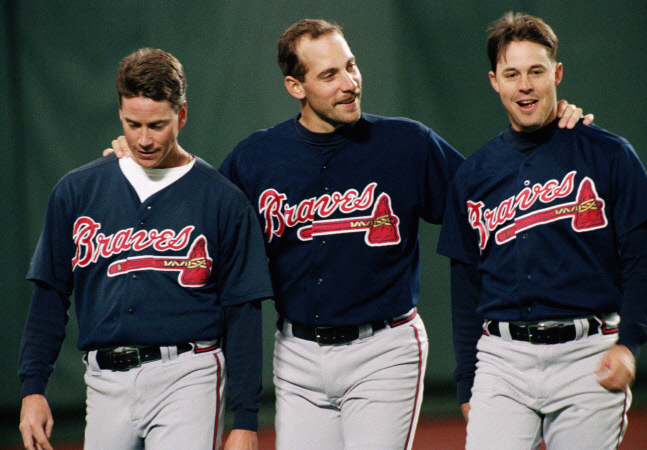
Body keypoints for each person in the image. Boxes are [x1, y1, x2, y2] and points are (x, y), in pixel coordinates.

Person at [107, 20, 588, 450]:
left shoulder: (406, 144)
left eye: (351, 66)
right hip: (296, 358)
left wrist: (553, 132)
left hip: (384, 350)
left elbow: (498, 198)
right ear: (295, 85)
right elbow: (195, 214)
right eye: (330, 74)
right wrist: (143, 165)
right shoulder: (256, 159)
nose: (350, 83)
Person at [18, 48, 273, 450]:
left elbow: (243, 312)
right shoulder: (77, 190)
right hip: (103, 382)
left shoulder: (223, 199)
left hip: (187, 375)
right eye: (131, 124)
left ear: (182, 115)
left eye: (157, 124)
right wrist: (33, 388)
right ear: (119, 113)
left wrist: (244, 419)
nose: (143, 139)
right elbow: (50, 293)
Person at [437, 12, 647, 449]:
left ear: (558, 73)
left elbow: (640, 257)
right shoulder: (474, 174)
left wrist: (629, 344)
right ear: (495, 81)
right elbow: (465, 285)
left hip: (588, 355)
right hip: (502, 360)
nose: (525, 86)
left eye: (536, 71)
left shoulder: (608, 155)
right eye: (512, 74)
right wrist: (466, 382)